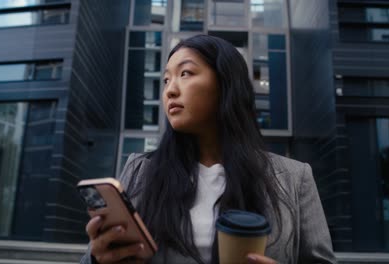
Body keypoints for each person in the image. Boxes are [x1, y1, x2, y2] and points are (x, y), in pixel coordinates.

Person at [80, 35, 336, 264]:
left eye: (185, 74)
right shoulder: (140, 170)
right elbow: (93, 257)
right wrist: (97, 258)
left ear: (226, 84)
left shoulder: (294, 177)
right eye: (166, 80)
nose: (170, 90)